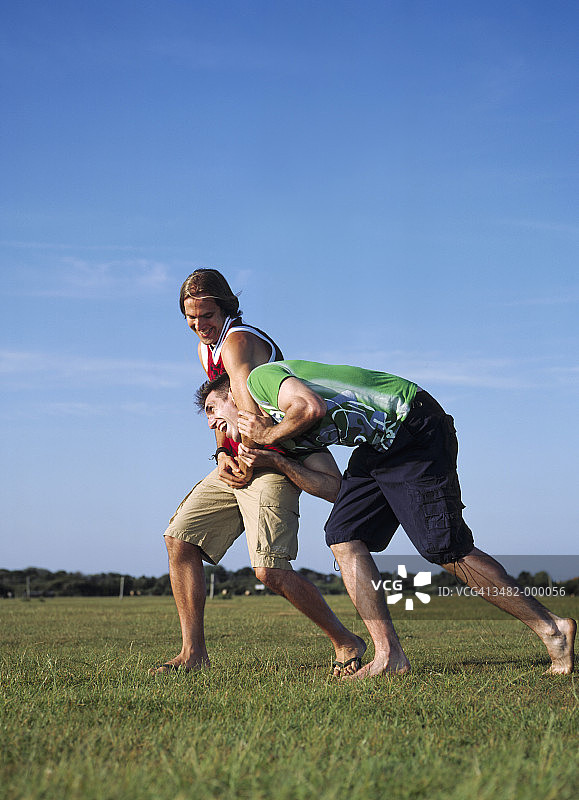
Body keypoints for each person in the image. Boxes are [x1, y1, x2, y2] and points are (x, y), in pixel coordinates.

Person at [197, 360, 576, 678]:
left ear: (234, 395)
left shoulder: (260, 380)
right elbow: (333, 488)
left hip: (411, 423)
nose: (212, 423)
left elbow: (311, 407)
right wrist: (278, 460)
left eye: (213, 409)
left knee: (445, 549)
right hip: (378, 446)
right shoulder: (287, 437)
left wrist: (267, 434)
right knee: (343, 534)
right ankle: (388, 655)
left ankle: (552, 628)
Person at [151, 274, 365, 675]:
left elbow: (251, 414)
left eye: (206, 315)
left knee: (269, 569)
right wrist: (221, 453)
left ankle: (346, 641)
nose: (199, 325)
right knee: (180, 540)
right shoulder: (205, 349)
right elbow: (221, 405)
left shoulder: (237, 342)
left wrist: (248, 458)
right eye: (190, 317)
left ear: (226, 307)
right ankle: (193, 654)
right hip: (235, 461)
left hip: (270, 459)